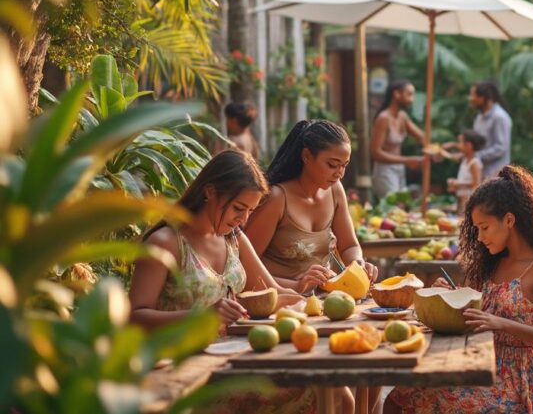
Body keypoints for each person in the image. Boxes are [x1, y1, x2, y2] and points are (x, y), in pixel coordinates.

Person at [129, 150, 351, 413]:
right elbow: (134, 318)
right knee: (326, 395)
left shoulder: (233, 239)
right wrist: (200, 315)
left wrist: (312, 303)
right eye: (238, 208)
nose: (243, 220)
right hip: (183, 370)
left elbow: (275, 293)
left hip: (234, 359)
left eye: (250, 211)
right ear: (210, 192)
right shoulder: (166, 243)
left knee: (339, 394)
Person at [384, 166, 533, 414]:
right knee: (399, 396)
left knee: (406, 400)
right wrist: (448, 296)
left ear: (509, 220)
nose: (479, 237)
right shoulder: (493, 263)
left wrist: (500, 323)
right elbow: (474, 316)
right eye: (476, 229)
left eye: (484, 227)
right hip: (479, 364)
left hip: (519, 380)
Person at [246, 120, 379, 294]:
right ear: (306, 156)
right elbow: (245, 267)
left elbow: (349, 246)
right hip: (280, 301)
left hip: (326, 300)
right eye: (332, 165)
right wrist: (297, 285)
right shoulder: (277, 199)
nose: (339, 173)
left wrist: (358, 263)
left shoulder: (335, 190)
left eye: (344, 165)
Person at [370, 80, 425, 200]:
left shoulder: (402, 116)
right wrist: (408, 160)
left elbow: (422, 138)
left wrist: (440, 150)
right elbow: (375, 153)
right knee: (391, 211)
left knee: (402, 210)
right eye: (409, 94)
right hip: (385, 172)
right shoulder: (383, 118)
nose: (412, 99)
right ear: (396, 94)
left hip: (399, 169)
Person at [457, 81, 512, 179]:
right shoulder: (479, 117)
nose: (470, 98)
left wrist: (476, 155)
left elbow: (501, 147)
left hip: (495, 176)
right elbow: (475, 143)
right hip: (480, 174)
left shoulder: (499, 117)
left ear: (483, 97)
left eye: (473, 95)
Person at [444, 129, 485, 213]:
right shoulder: (465, 160)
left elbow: (476, 184)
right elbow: (450, 156)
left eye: (460, 142)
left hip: (469, 201)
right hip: (462, 199)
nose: (458, 145)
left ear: (469, 145)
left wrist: (458, 183)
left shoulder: (474, 163)